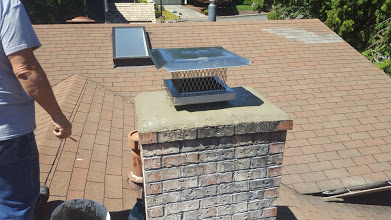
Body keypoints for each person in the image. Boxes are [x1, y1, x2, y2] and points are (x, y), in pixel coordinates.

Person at [0, 0, 72, 219]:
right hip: (8, 134)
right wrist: (58, 116)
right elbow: (25, 70)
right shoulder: (6, 4)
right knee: (15, 206)